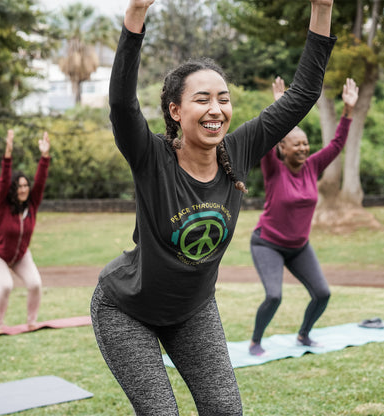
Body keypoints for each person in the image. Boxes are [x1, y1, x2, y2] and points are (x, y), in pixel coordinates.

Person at [90, 0, 335, 414]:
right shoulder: (151, 157)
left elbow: (304, 93)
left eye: (223, 99)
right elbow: (122, 105)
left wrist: (323, 7)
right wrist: (135, 15)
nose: (215, 110)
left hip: (193, 310)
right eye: (202, 99)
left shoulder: (239, 150)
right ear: (175, 110)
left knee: (225, 410)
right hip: (126, 310)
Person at [248, 77, 359, 356]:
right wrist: (280, 108)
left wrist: (348, 110)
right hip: (267, 243)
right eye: (295, 144)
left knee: (322, 293)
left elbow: (336, 144)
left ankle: (303, 335)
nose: (303, 148)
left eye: (305, 143)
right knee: (274, 296)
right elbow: (268, 135)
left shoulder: (312, 166)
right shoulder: (273, 168)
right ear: (282, 148)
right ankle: (255, 342)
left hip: (299, 247)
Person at [0, 129, 50, 334]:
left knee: (35, 284)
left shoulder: (32, 205)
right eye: (19, 186)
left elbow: (41, 182)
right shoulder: (3, 205)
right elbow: (3, 180)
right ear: (13, 189)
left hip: (21, 256)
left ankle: (31, 322)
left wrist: (44, 156)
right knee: (5, 285)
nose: (23, 189)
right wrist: (8, 151)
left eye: (26, 185)